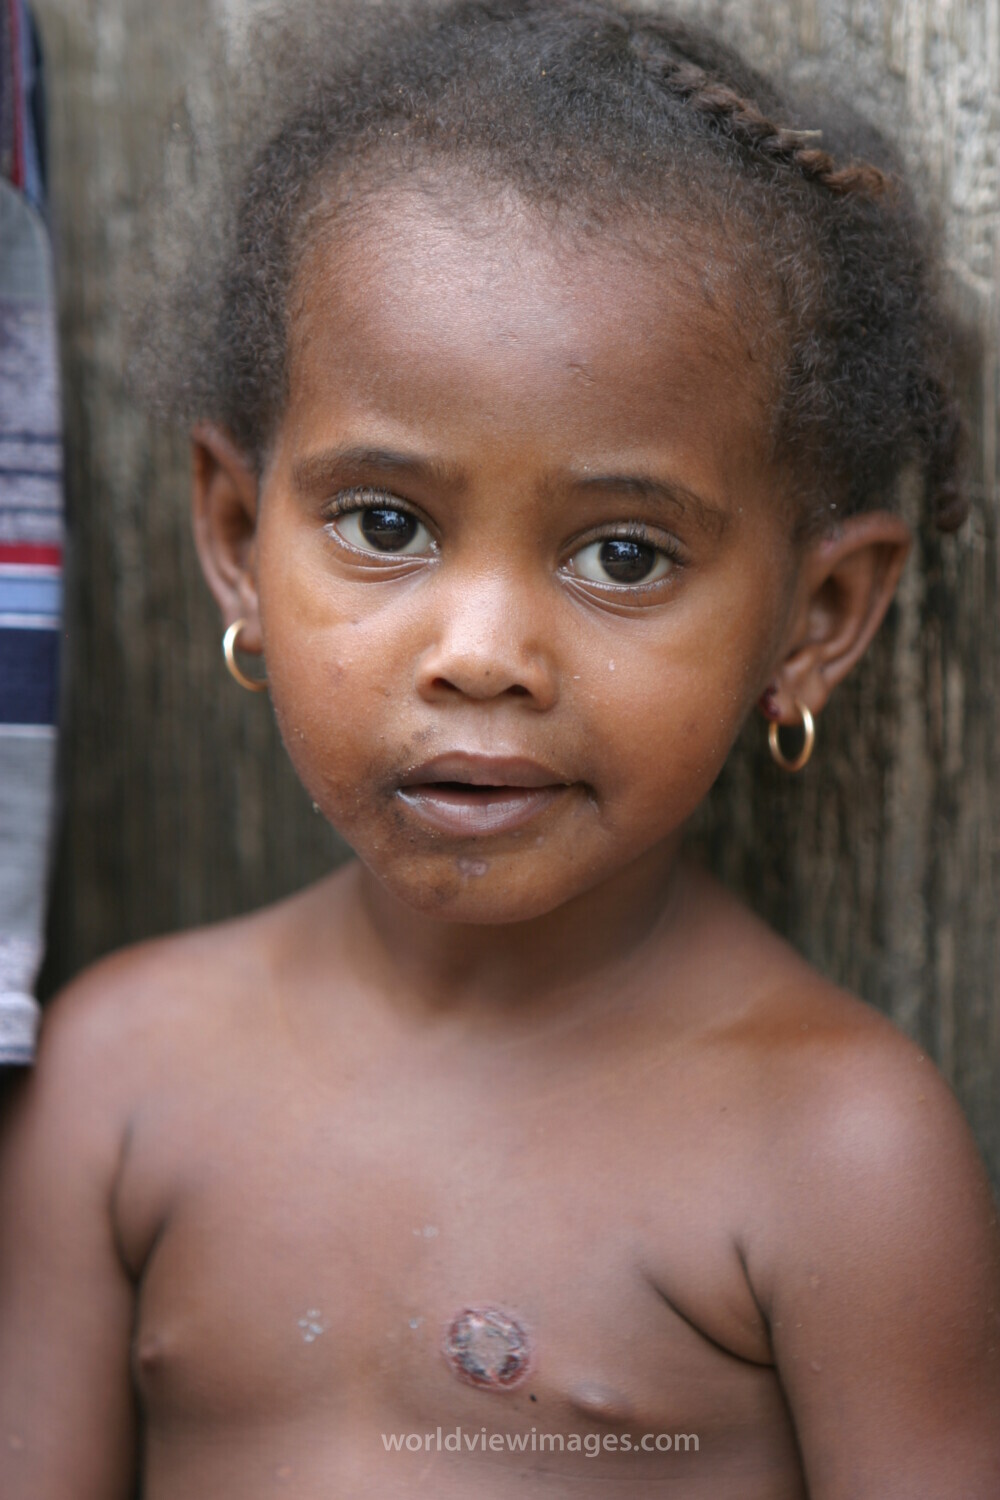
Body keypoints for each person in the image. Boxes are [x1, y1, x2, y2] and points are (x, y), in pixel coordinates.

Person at [1, 1, 997, 1494]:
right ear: (232, 535)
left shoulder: (836, 1157)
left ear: (819, 617)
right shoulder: (115, 1085)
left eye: (622, 555)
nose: (481, 656)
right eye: (386, 525)